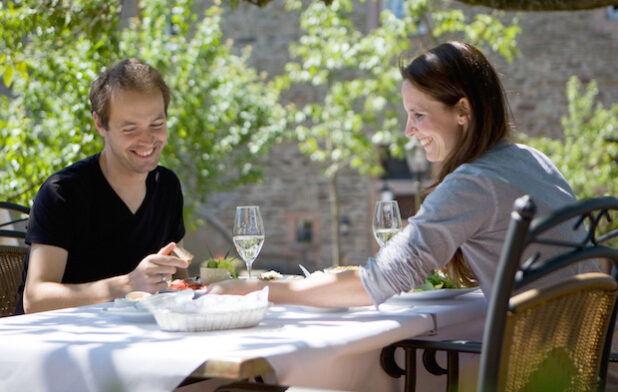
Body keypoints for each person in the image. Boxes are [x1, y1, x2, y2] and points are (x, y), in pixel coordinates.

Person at [206, 41, 597, 308]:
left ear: (463, 111)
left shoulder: (474, 183)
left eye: (419, 115)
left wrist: (257, 289)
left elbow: (374, 283)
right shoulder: (532, 160)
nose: (409, 130)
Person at [15, 59, 188, 314]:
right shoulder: (62, 193)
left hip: (137, 339)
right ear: (100, 124)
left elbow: (179, 280)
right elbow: (35, 299)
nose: (148, 140)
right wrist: (128, 284)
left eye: (157, 125)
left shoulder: (167, 186)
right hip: (63, 343)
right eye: (130, 129)